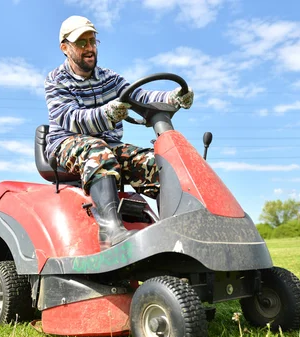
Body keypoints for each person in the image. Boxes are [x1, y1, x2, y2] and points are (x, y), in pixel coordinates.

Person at [44, 15, 194, 249]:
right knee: (98, 152)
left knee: (158, 164)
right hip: (68, 143)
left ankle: (181, 231)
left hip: (108, 145)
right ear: (65, 47)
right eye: (81, 43)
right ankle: (110, 231)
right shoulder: (56, 81)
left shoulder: (109, 78)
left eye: (92, 41)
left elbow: (141, 97)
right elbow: (71, 118)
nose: (89, 48)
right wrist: (107, 114)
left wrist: (172, 97)